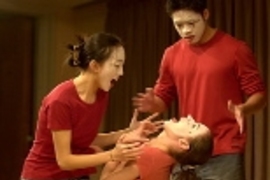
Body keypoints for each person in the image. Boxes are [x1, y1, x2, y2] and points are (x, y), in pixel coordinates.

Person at [132, 0, 267, 180]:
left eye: (191, 23)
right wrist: (153, 103)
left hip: (224, 148)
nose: (186, 30)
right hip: (185, 150)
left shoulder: (236, 49)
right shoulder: (171, 54)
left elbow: (259, 94)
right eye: (179, 25)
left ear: (205, 15)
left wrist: (244, 108)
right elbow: (163, 98)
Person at [21, 32, 161, 180]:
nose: (121, 72)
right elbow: (64, 161)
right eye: (117, 65)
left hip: (77, 173)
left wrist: (128, 131)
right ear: (95, 66)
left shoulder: (101, 93)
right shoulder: (60, 101)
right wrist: (112, 155)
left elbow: (83, 139)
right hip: (43, 175)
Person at [99, 115, 213, 180]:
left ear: (183, 144)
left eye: (193, 126)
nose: (189, 117)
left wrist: (124, 143)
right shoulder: (159, 156)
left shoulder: (152, 157)